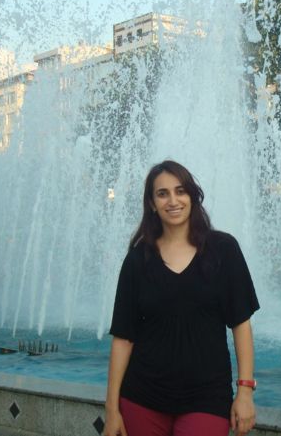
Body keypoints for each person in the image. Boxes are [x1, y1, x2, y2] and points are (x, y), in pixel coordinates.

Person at [104, 160, 260, 436]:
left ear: (192, 196)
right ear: (152, 203)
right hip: (142, 396)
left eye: (180, 191)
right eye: (162, 194)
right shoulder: (138, 259)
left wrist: (245, 392)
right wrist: (112, 408)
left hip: (207, 397)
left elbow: (241, 324)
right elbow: (123, 338)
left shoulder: (223, 250)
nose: (173, 201)